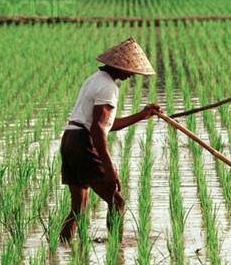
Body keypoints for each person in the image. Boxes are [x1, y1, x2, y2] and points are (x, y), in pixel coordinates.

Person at [59, 38, 161, 242]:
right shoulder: (108, 87)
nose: (131, 75)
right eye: (130, 70)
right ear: (119, 67)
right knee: (118, 202)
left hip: (70, 139)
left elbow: (105, 124)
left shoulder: (95, 79)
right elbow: (97, 129)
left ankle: (60, 248)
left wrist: (142, 114)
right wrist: (109, 168)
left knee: (78, 209)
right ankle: (117, 251)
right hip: (83, 143)